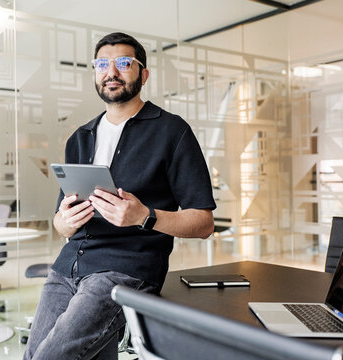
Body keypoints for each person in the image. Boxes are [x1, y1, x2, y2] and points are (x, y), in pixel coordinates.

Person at [23, 32, 216, 360]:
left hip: (126, 268)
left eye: (123, 63)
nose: (111, 71)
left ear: (143, 74)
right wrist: (65, 222)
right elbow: (61, 222)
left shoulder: (172, 132)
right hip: (69, 264)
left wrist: (144, 216)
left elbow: (204, 222)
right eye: (101, 64)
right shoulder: (80, 137)